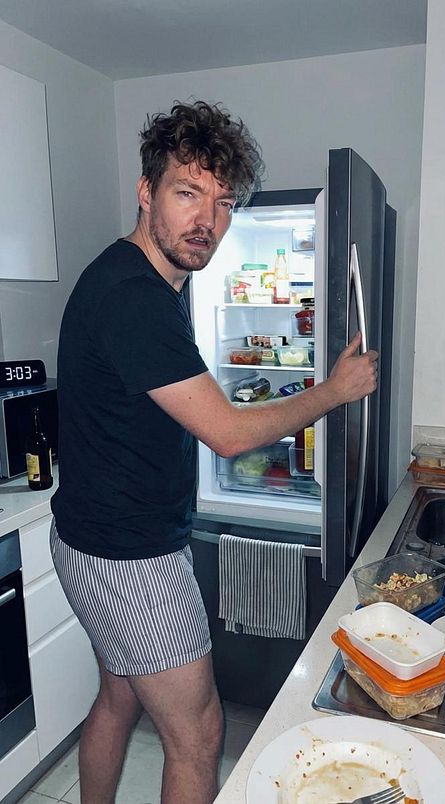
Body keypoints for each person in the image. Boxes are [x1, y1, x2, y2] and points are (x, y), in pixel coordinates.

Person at [50, 100, 378, 804]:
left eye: (223, 202)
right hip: (129, 557)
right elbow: (227, 433)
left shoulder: (141, 279)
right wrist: (334, 390)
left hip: (88, 538)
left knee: (118, 698)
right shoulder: (135, 298)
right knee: (198, 736)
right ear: (147, 193)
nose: (208, 221)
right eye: (187, 193)